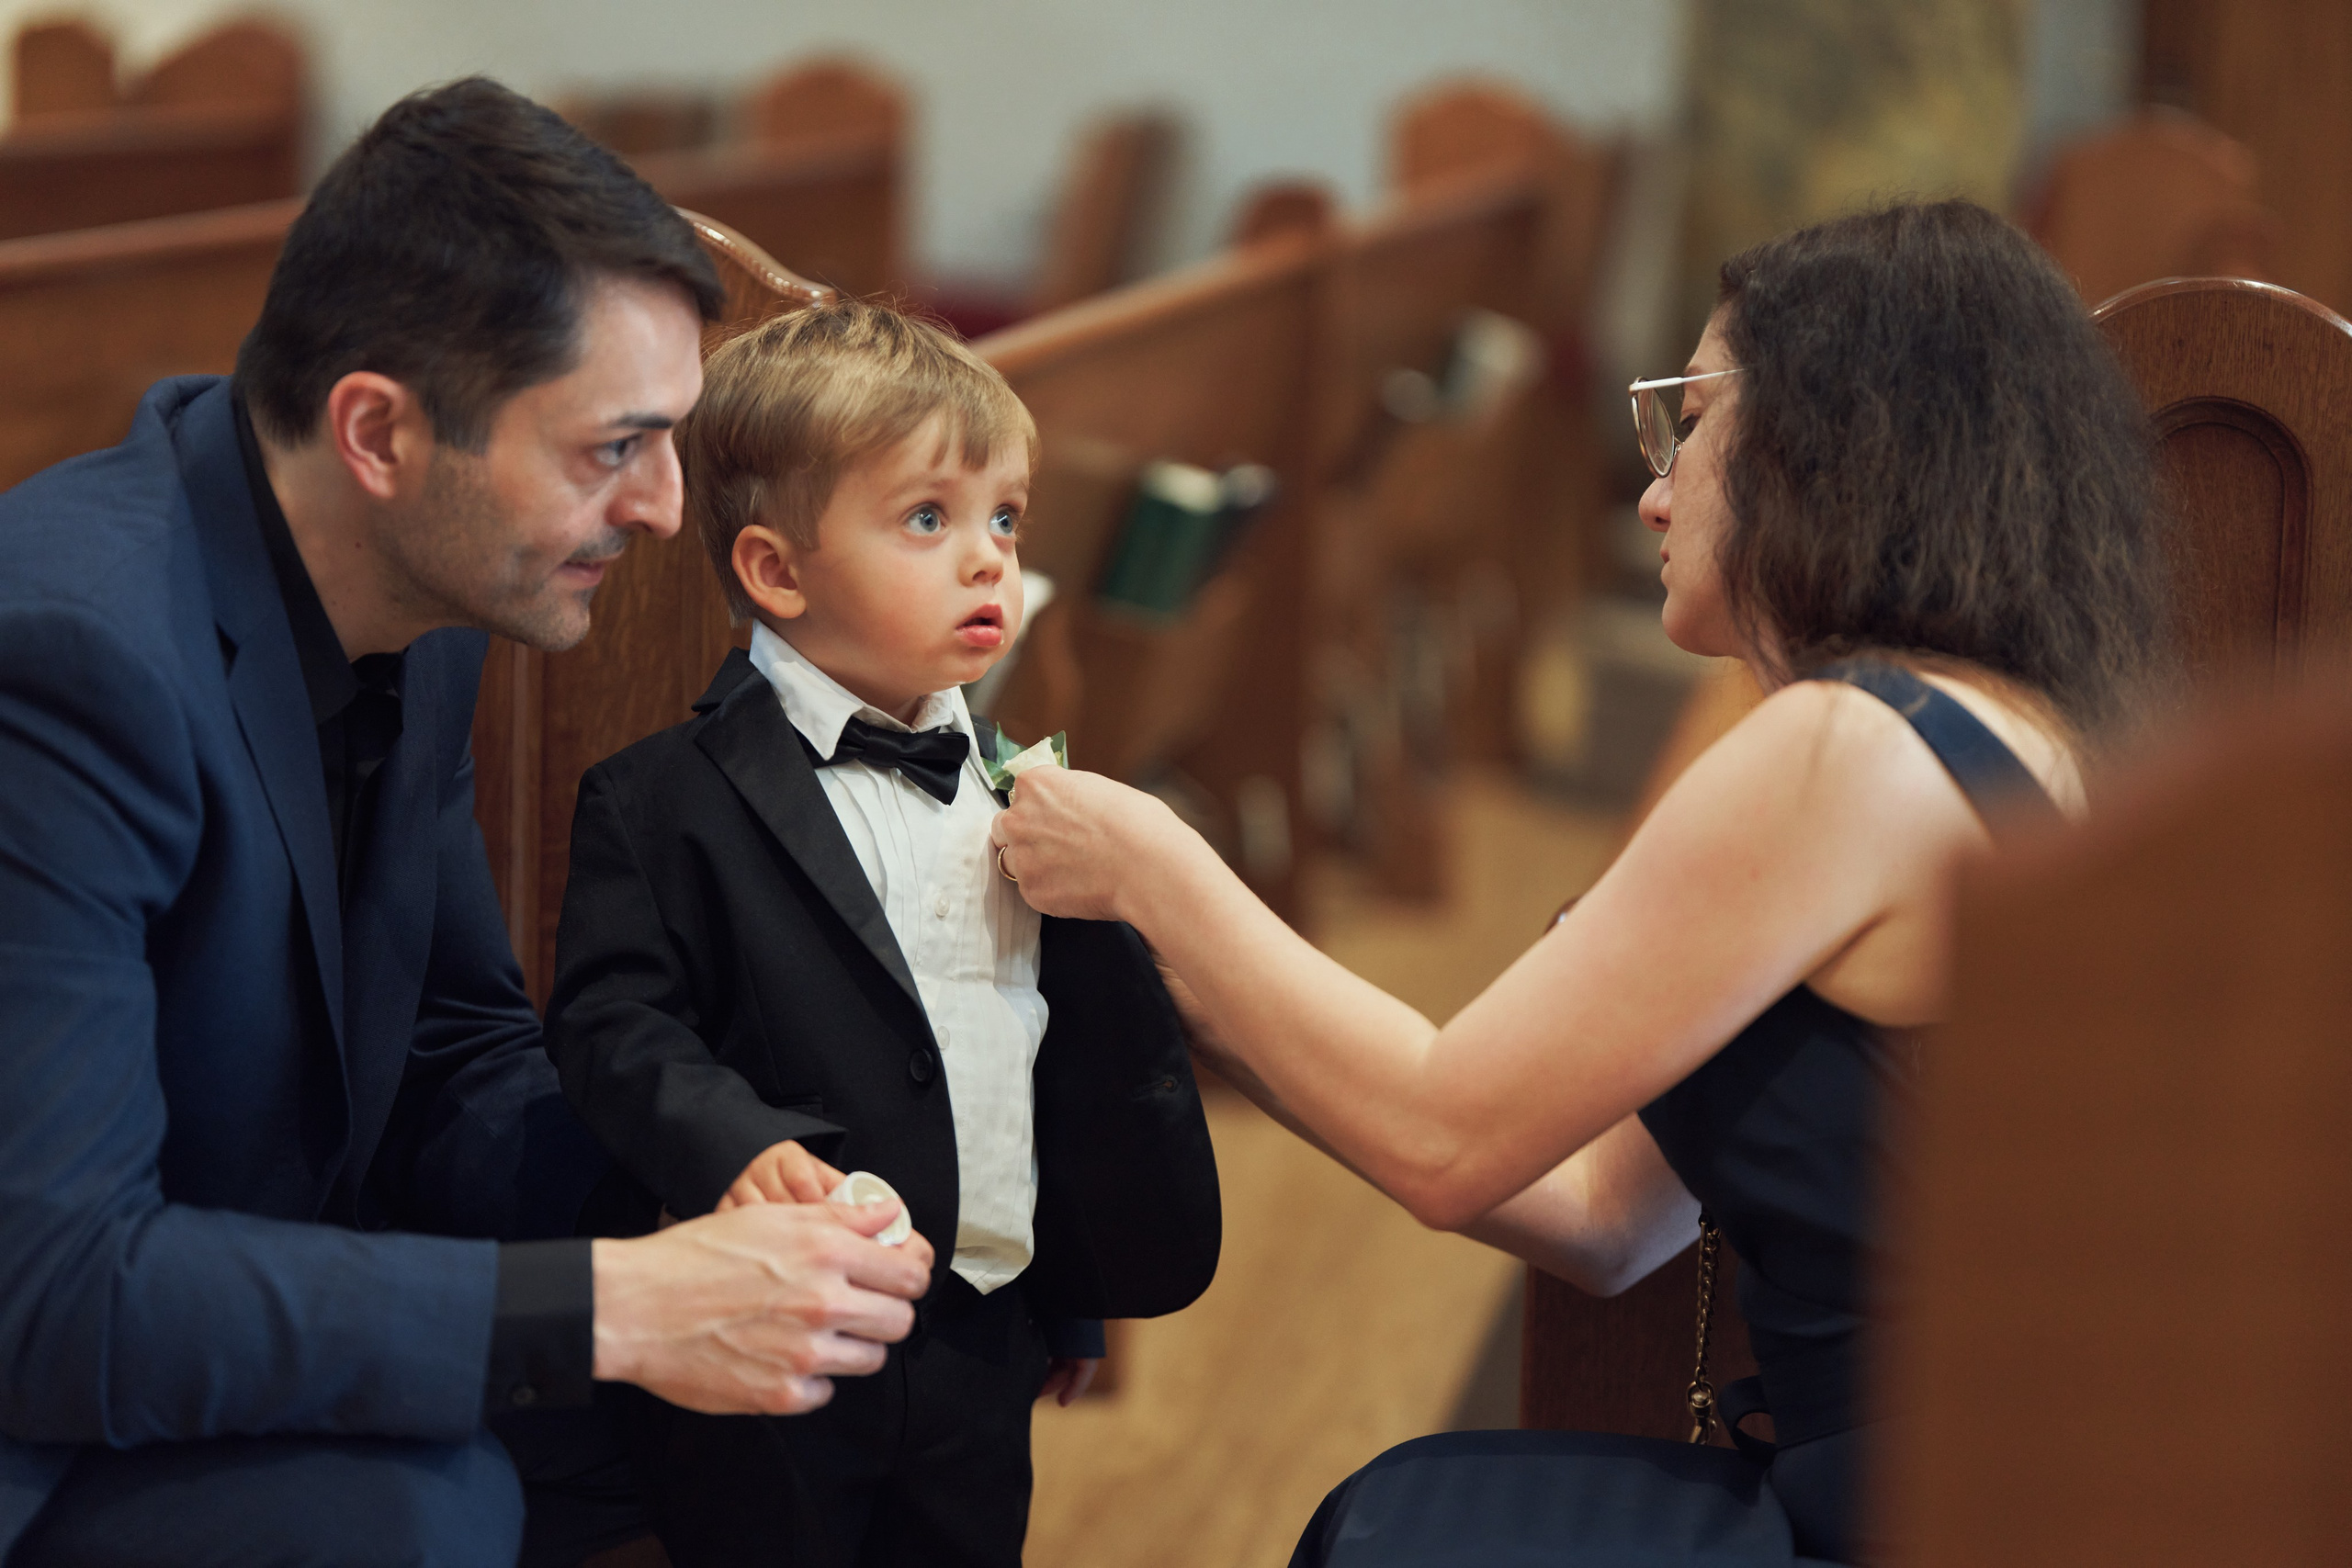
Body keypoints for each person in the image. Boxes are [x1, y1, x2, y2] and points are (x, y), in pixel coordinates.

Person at [991, 199, 2166, 1565]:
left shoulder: (1845, 750)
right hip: (1968, 1489)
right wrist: (1180, 971)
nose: (1656, 488)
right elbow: (1605, 1216)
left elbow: (1445, 1135)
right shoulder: (2000, 719)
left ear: (1834, 441)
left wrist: (1153, 868)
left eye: (1692, 418)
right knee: (1406, 1506)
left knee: (1385, 1535)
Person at [0, 81, 935, 1568]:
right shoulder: (63, 667)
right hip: (50, 1408)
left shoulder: (420, 601)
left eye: (675, 439)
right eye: (611, 446)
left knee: (818, 1391)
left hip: (251, 1293)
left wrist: (731, 1178)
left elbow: (447, 1051)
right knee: (427, 1512)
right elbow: (53, 1296)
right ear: (379, 430)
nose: (661, 509)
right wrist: (626, 1306)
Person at [544, 299, 1222, 1568]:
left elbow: (1043, 1050)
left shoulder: (1032, 797)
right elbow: (610, 1027)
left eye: (1004, 520)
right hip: (774, 1330)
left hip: (981, 1333)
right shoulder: (661, 800)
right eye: (930, 519)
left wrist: (1070, 1287)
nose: (990, 563)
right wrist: (737, 1144)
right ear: (776, 571)